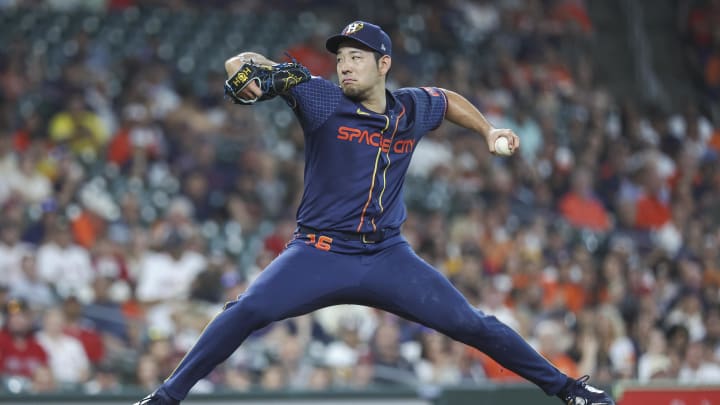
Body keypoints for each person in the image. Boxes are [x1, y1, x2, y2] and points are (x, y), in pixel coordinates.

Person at [135, 21, 614, 405]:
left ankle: (570, 390)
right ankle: (165, 398)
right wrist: (256, 72)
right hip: (319, 252)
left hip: (387, 256)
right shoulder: (321, 98)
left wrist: (488, 131)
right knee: (247, 309)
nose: (345, 66)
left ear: (383, 64)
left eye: (356, 57)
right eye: (341, 58)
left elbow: (446, 101)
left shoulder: (410, 108)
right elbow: (242, 63)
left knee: (471, 324)